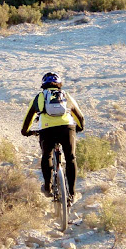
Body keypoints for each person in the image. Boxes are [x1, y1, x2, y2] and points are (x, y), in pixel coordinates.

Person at [21, 72, 84, 202]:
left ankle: (48, 187)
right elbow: (80, 116)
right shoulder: (66, 95)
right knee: (71, 158)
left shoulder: (39, 97)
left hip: (47, 129)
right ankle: (72, 193)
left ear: (43, 85)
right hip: (67, 128)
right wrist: (79, 127)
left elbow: (28, 117)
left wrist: (26, 131)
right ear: (59, 84)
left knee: (46, 156)